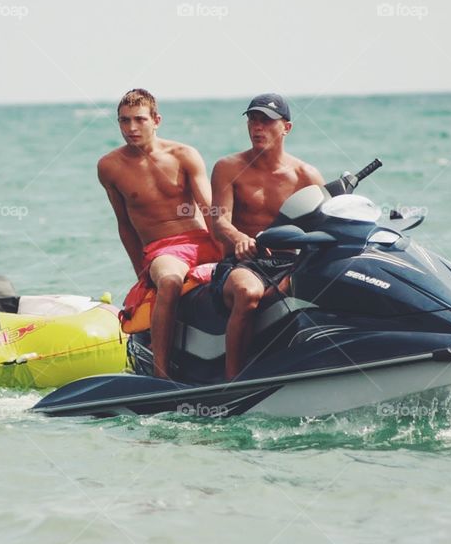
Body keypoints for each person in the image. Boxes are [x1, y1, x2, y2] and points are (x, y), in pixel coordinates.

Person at [98, 89, 221, 379]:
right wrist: (142, 271)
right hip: (163, 250)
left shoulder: (184, 155)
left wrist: (229, 248)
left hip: (201, 239)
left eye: (139, 120)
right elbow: (124, 225)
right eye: (124, 121)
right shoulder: (110, 167)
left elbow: (210, 210)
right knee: (169, 280)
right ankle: (161, 372)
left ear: (156, 120)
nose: (131, 128)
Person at [210, 93, 325, 380]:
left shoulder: (307, 176)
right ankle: (232, 382)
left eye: (266, 121)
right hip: (243, 263)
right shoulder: (228, 167)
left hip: (288, 263)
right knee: (249, 293)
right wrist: (239, 238)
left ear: (286, 127)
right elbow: (218, 218)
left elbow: (324, 227)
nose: (257, 127)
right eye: (253, 119)